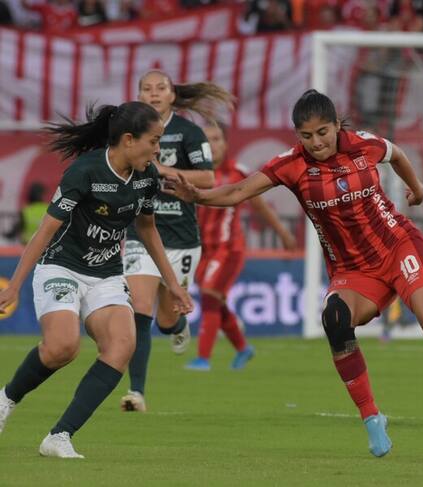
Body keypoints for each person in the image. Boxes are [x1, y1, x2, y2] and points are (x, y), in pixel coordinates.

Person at [163, 89, 423, 457]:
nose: (316, 142)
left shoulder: (364, 145)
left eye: (323, 132)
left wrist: (416, 189)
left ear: (336, 125)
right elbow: (239, 191)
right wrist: (197, 196)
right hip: (353, 270)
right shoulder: (291, 165)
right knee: (335, 319)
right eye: (306, 136)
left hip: (399, 246)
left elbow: (397, 154)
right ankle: (372, 418)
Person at [0, 101, 193, 459]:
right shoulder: (85, 171)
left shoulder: (147, 177)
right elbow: (44, 231)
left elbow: (147, 229)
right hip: (61, 266)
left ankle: (59, 436)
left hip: (106, 273)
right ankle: (6, 399)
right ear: (129, 139)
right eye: (154, 141)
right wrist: (14, 285)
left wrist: (173, 284)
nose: (158, 150)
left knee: (122, 345)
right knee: (62, 347)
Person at [120, 70, 233, 413]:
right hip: (141, 231)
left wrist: (163, 170)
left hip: (181, 237)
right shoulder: (129, 132)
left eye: (160, 88)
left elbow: (208, 178)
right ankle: (136, 392)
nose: (153, 93)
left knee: (167, 319)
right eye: (147, 88)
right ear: (139, 95)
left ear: (172, 95)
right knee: (140, 307)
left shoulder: (188, 132)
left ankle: (178, 326)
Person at [185, 122, 297, 372]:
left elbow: (260, 207)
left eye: (216, 139)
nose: (212, 145)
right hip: (203, 250)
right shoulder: (194, 175)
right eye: (206, 140)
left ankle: (203, 358)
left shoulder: (237, 173)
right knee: (215, 300)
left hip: (228, 249)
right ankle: (243, 348)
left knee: (210, 296)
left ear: (226, 143)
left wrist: (282, 232)